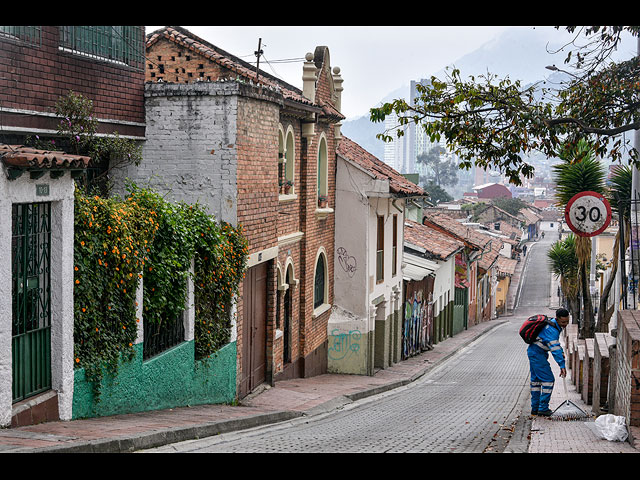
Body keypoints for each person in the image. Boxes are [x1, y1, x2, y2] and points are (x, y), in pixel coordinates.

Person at [527, 308, 570, 416]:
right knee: (548, 380)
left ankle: (535, 408)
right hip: (537, 355)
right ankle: (543, 408)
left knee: (536, 382)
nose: (565, 324)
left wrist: (560, 351)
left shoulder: (554, 325)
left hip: (535, 353)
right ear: (557, 319)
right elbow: (554, 348)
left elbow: (554, 344)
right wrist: (562, 365)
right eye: (563, 322)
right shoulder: (552, 329)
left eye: (567, 321)